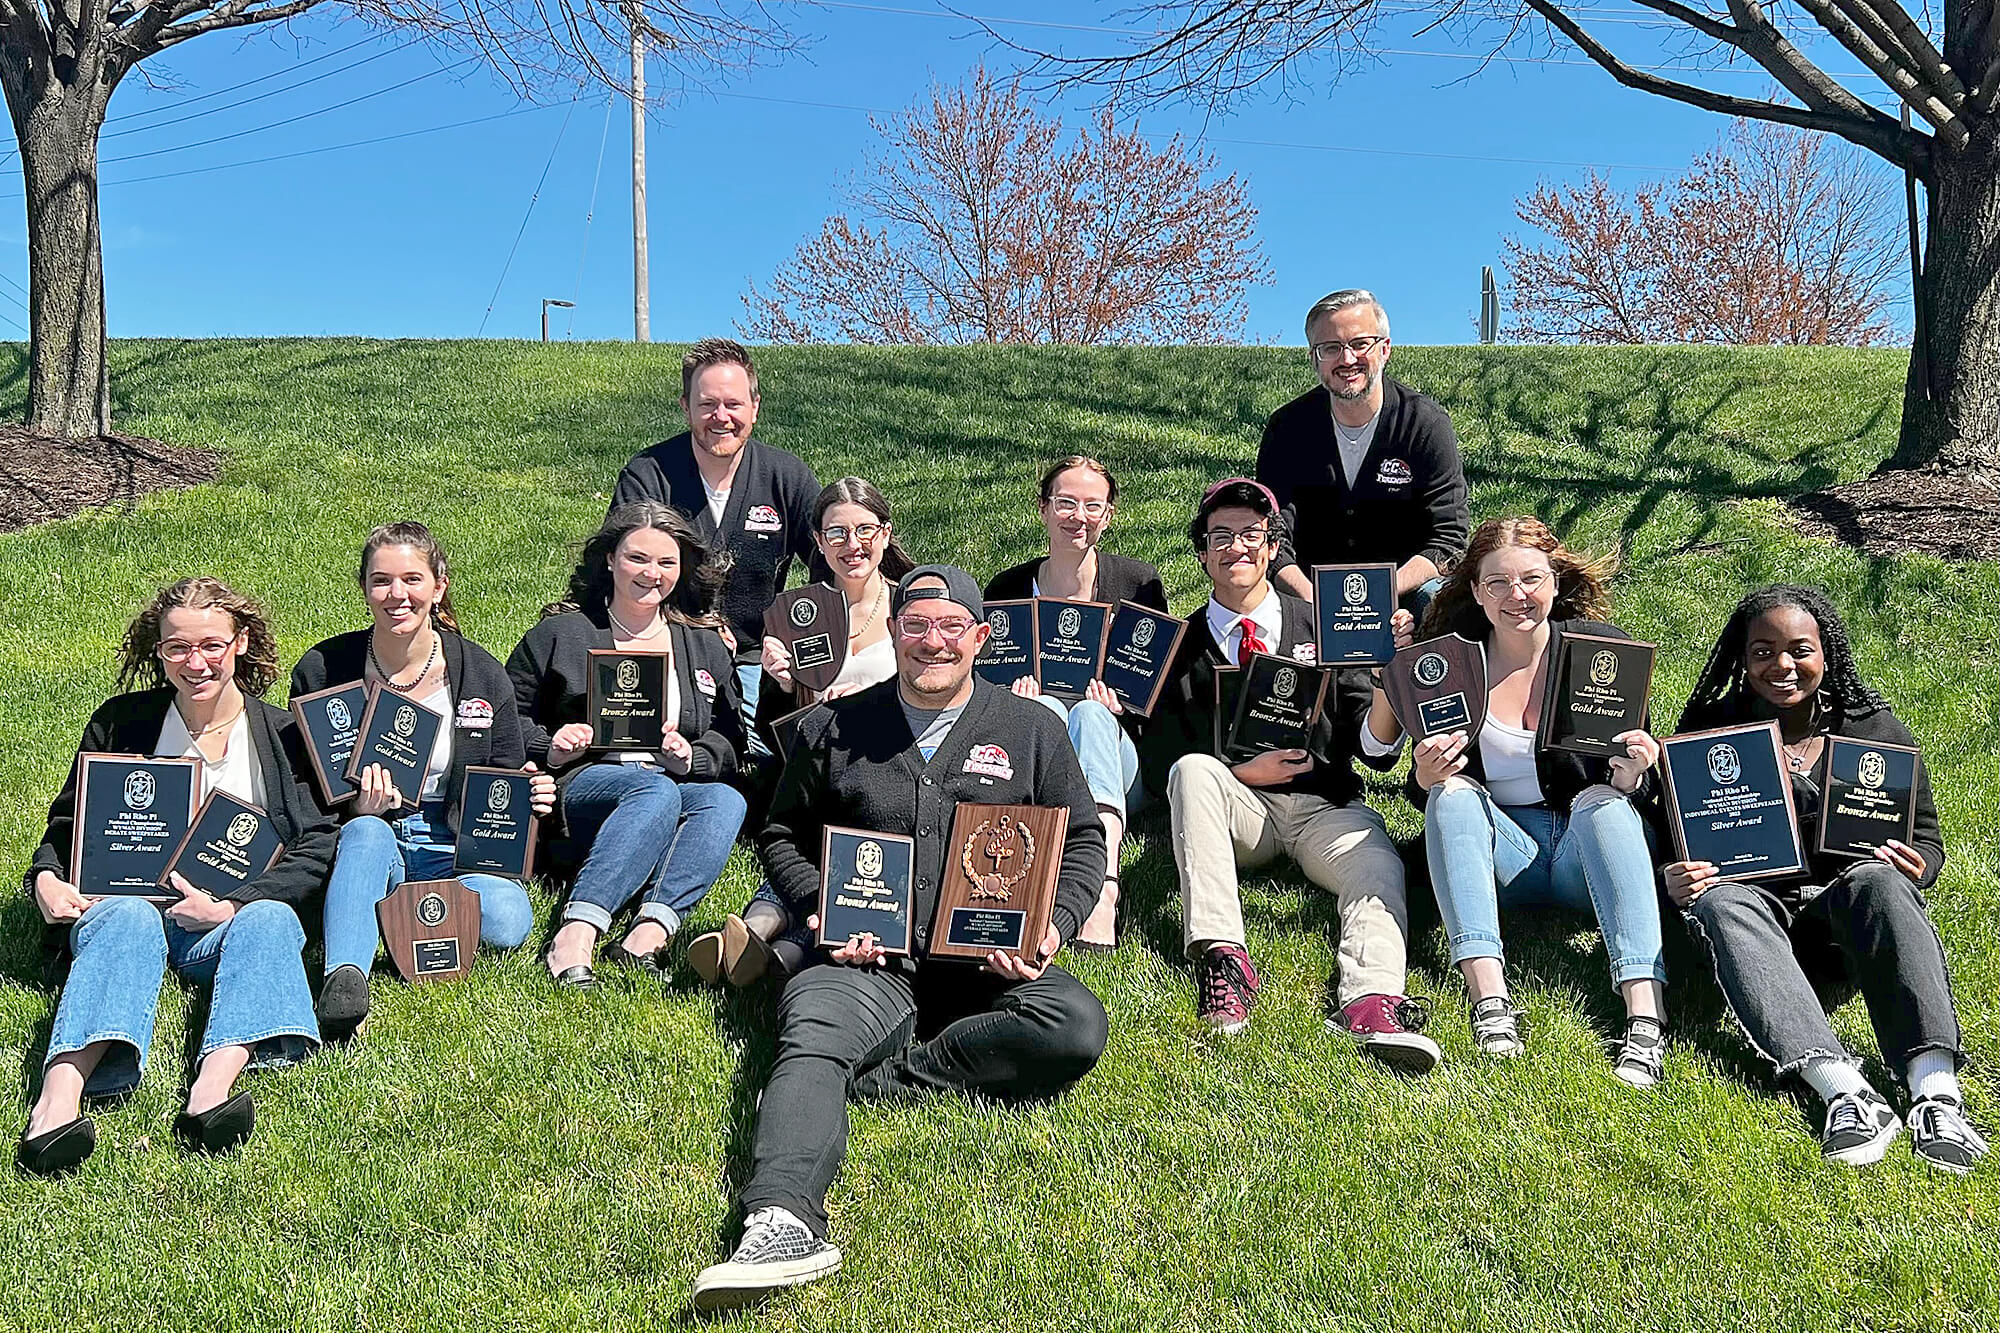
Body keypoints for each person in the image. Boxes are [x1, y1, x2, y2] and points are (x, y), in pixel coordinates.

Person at [690, 566, 1109, 1312]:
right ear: (892, 633)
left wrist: (1054, 924)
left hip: (987, 958)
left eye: (951, 626)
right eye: (916, 625)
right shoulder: (834, 726)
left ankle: (889, 1078)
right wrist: (822, 905)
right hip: (866, 958)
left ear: (981, 638)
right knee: (810, 1030)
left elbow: (1080, 840)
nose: (932, 641)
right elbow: (782, 833)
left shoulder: (1031, 729)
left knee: (1073, 1024)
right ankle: (781, 1220)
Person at [19, 578, 336, 1173]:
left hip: (219, 922)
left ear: (240, 643)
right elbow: (69, 821)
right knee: (131, 914)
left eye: (212, 645)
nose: (197, 663)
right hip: (126, 911)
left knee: (270, 919)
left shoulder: (284, 734)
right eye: (178, 649)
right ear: (158, 651)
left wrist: (235, 905)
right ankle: (57, 1102)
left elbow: (317, 843)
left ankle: (213, 1089)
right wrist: (46, 878)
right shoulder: (121, 722)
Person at [1667, 584, 1983, 1172]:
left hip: (1845, 930)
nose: (1781, 666)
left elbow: (1927, 838)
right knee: (1721, 900)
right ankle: (1845, 1091)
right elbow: (1669, 835)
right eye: (1762, 651)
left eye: (1799, 650)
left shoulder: (1873, 730)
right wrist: (1675, 876)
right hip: (1752, 927)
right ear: (1741, 658)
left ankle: (1935, 1093)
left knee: (1880, 880)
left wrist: (1920, 863)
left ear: (1826, 653)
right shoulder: (1709, 731)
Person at [1138, 478, 1437, 1071]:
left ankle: (1370, 998)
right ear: (1201, 552)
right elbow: (1159, 759)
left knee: (1378, 861)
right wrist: (1242, 769)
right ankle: (1225, 959)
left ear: (1273, 547)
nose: (1236, 547)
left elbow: (1373, 751)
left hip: (1324, 807)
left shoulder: (1326, 623)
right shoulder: (1180, 643)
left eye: (1251, 534)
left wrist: (1388, 681)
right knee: (1195, 770)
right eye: (1220, 536)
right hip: (1237, 812)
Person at [1364, 517, 1667, 1085]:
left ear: (1554, 582)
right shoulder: (1451, 662)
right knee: (1452, 795)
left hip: (1586, 854)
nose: (1517, 595)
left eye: (1531, 579)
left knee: (1604, 800)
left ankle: (1645, 1015)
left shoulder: (1606, 657)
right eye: (1498, 583)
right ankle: (1490, 1003)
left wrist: (1634, 775)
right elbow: (1383, 757)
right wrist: (1425, 778)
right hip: (1503, 856)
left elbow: (1637, 784)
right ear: (1476, 592)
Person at [290, 522, 553, 1040]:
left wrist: (530, 794)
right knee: (366, 836)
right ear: (364, 588)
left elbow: (502, 773)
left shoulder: (479, 672)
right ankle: (347, 979)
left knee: (506, 919)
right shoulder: (324, 668)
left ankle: (379, 915)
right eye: (381, 581)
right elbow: (300, 785)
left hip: (451, 843)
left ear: (439, 585)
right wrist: (357, 810)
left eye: (412, 579)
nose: (397, 595)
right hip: (370, 835)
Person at [507, 502, 748, 988]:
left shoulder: (699, 643)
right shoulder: (561, 634)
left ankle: (647, 935)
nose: (651, 574)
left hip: (667, 782)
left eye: (666, 563)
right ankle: (574, 934)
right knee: (651, 792)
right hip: (582, 791)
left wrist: (691, 757)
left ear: (682, 571)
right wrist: (551, 746)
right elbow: (504, 717)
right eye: (638, 558)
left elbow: (731, 737)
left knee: (724, 799)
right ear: (611, 560)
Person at [686, 476, 914, 988]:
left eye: (864, 530)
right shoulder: (799, 613)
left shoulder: (912, 608)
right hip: (814, 769)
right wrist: (781, 683)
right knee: (820, 819)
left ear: (885, 533)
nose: (852, 545)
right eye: (836, 534)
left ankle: (760, 931)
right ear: (817, 542)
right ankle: (776, 950)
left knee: (836, 824)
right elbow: (769, 733)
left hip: (896, 763)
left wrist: (858, 709)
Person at [985, 456, 1169, 950]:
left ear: (1109, 516)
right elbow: (984, 687)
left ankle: (1101, 886)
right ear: (1043, 510)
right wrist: (1009, 702)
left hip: (1114, 761)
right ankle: (1032, 869)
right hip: (1039, 757)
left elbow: (1156, 689)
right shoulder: (1005, 589)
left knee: (1089, 712)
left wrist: (1123, 704)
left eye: (1093, 505)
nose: (1078, 516)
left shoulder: (1137, 584)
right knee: (1042, 709)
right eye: (1066, 503)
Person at [608, 338, 821, 740]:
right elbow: (624, 573)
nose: (720, 417)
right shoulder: (648, 475)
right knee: (663, 751)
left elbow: (832, 570)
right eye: (707, 405)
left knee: (779, 751)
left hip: (759, 657)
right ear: (685, 406)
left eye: (733, 404)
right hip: (669, 647)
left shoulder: (786, 477)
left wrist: (793, 638)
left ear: (755, 408)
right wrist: (691, 625)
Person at [1256, 288, 1468, 622]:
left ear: (1385, 350)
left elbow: (1448, 538)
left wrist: (1379, 594)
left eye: (1359, 344)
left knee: (1438, 598)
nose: (1347, 359)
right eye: (1330, 348)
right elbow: (1273, 531)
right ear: (1314, 358)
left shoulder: (1425, 424)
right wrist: (1313, 597)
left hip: (1404, 597)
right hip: (1308, 595)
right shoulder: (1288, 428)